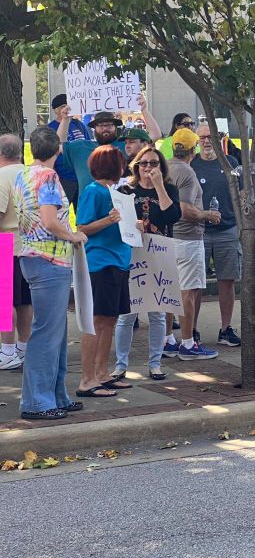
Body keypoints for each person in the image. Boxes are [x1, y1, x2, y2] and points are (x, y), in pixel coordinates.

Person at [15, 127, 89, 419]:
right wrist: (73, 235)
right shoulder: (48, 176)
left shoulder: (23, 175)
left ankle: (56, 395)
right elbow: (49, 220)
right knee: (46, 332)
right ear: (58, 150)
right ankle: (37, 402)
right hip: (49, 259)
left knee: (54, 330)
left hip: (33, 257)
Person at [111, 146, 182, 381]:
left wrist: (159, 186)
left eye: (153, 163)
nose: (148, 167)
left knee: (157, 313)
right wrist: (133, 226)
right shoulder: (126, 190)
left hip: (159, 253)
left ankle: (155, 364)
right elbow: (117, 221)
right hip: (132, 254)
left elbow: (172, 216)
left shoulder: (169, 188)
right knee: (127, 314)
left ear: (161, 167)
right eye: (144, 163)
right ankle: (120, 365)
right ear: (136, 166)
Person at [75, 145, 134, 398]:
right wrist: (109, 220)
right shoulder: (93, 191)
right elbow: (82, 227)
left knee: (110, 320)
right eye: (121, 163)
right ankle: (87, 379)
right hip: (102, 262)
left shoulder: (113, 191)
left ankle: (102, 373)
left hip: (119, 261)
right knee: (97, 321)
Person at [163, 127, 220, 360]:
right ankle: (187, 343)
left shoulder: (164, 167)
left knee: (168, 290)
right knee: (188, 291)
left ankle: (167, 339)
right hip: (187, 238)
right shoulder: (186, 172)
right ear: (193, 149)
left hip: (167, 237)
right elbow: (185, 209)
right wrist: (208, 215)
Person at [192, 124, 242, 348]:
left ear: (220, 138)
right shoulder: (191, 164)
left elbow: (241, 194)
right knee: (194, 284)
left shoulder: (230, 162)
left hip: (227, 229)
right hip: (198, 231)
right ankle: (191, 330)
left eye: (211, 136)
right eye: (202, 137)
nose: (206, 141)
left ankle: (226, 328)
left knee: (227, 281)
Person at [0, 135, 32, 372]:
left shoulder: (1, 177)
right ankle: (23, 347)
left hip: (5, 242)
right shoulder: (32, 174)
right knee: (24, 301)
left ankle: (7, 351)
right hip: (30, 244)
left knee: (5, 301)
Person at [46, 93, 92, 207]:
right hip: (63, 177)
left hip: (82, 176)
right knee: (60, 211)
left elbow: (88, 145)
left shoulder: (79, 125)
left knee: (83, 212)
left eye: (69, 106)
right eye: (63, 106)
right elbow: (49, 154)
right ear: (55, 110)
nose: (67, 109)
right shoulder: (50, 128)